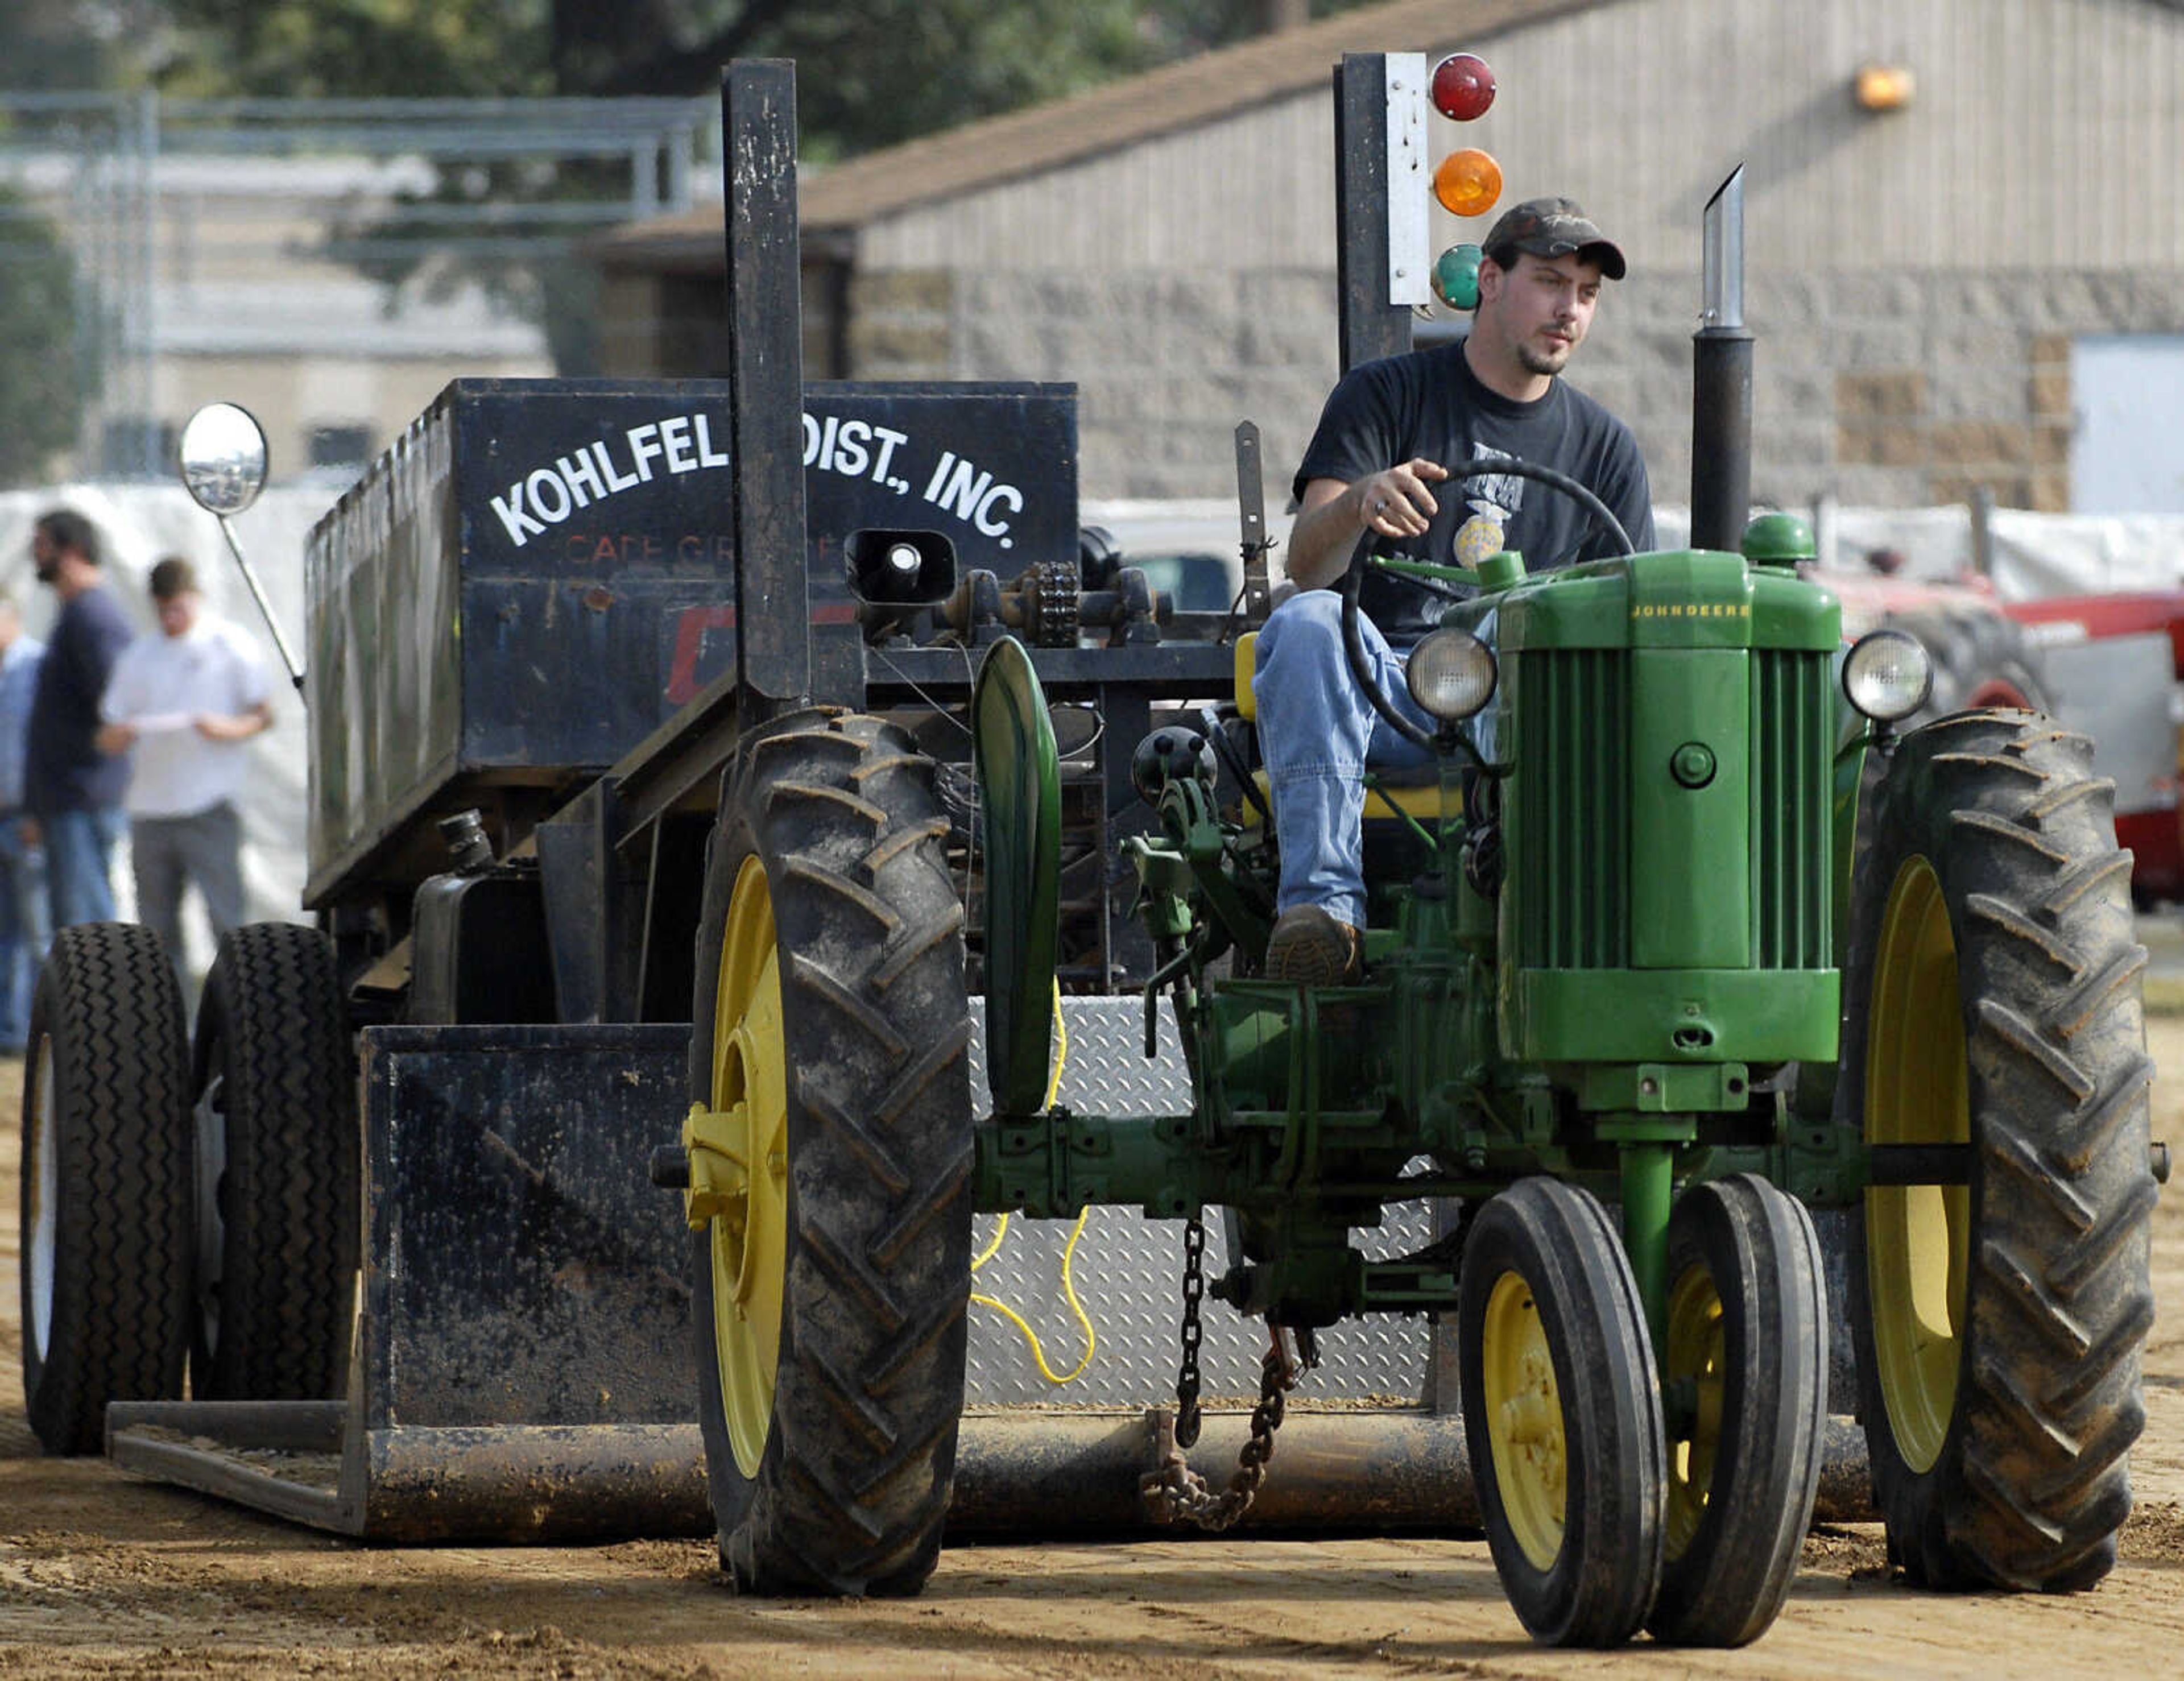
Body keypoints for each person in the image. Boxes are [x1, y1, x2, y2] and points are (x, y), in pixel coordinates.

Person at [1254, 197, 1656, 984]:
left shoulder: (1606, 447)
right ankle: (1324, 918)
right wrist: (1360, 501)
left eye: (1586, 294)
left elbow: (1626, 615)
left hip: (1519, 705)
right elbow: (1305, 565)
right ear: (1491, 282)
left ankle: (1598, 928)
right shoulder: (1386, 395)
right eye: (1549, 283)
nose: (1568, 310)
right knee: (1304, 624)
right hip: (1384, 696)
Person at [96, 556, 273, 976]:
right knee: (157, 932)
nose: (172, 619)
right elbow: (108, 729)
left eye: (179, 608)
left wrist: (225, 729)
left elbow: (263, 714)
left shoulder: (229, 644)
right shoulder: (140, 656)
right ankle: (170, 1026)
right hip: (151, 809)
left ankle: (236, 1020)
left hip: (209, 803)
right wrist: (120, 736)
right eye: (164, 610)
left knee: (226, 920)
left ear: (196, 600)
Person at [26, 508, 135, 931]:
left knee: (87, 935)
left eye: (42, 546)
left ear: (70, 551)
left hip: (82, 799)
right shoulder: (76, 614)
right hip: (68, 800)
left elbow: (117, 703)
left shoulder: (92, 616)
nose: (35, 557)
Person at [0, 592, 48, 1053]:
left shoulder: (38, 666)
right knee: (4, 933)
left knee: (39, 931)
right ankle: (9, 1032)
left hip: (27, 817)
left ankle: (42, 1027)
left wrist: (40, 810)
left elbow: (47, 745)